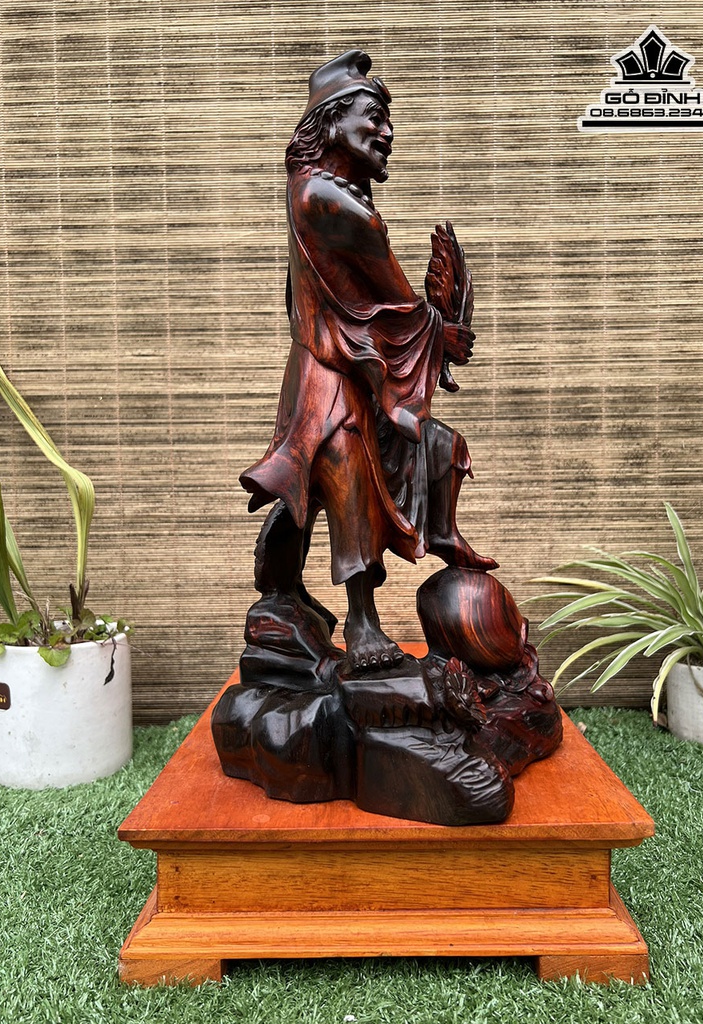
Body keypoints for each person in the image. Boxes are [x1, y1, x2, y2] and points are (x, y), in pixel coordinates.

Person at [240, 50, 496, 674]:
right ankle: (361, 623)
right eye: (373, 116)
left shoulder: (320, 192)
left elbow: (380, 304)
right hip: (331, 377)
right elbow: (395, 302)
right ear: (331, 123)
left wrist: (432, 322)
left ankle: (290, 589)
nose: (386, 132)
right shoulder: (328, 200)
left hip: (342, 367)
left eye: (388, 121)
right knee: (345, 476)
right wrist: (439, 327)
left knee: (409, 455)